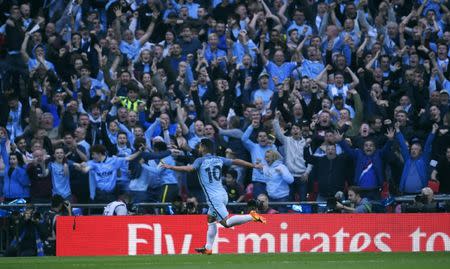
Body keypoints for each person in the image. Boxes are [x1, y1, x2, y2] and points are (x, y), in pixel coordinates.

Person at [162, 139, 266, 255]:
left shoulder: (200, 161)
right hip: (223, 193)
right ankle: (208, 248)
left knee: (226, 223)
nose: (199, 148)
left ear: (204, 147)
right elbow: (236, 161)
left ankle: (252, 216)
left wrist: (171, 167)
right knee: (211, 219)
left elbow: (189, 169)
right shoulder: (219, 159)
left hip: (213, 197)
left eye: (200, 146)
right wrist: (253, 165)